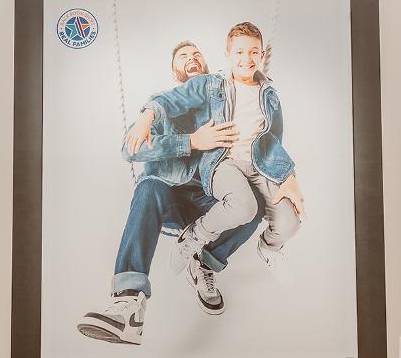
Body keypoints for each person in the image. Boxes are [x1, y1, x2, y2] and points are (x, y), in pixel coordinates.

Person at [77, 41, 264, 345]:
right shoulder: (159, 109)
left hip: (209, 199)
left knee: (254, 206)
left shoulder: (223, 105)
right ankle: (129, 303)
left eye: (197, 54)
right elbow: (128, 149)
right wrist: (190, 141)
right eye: (183, 56)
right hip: (167, 197)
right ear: (175, 70)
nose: (192, 58)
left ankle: (205, 262)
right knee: (148, 186)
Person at [127, 22, 305, 276]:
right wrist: (150, 117)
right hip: (215, 168)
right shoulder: (208, 87)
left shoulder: (267, 95)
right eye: (239, 52)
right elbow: (169, 103)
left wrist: (289, 176)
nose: (247, 59)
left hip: (253, 169)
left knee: (288, 221)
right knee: (244, 207)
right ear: (228, 55)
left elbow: (273, 140)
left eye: (254, 52)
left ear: (262, 55)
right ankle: (189, 241)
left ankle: (262, 250)